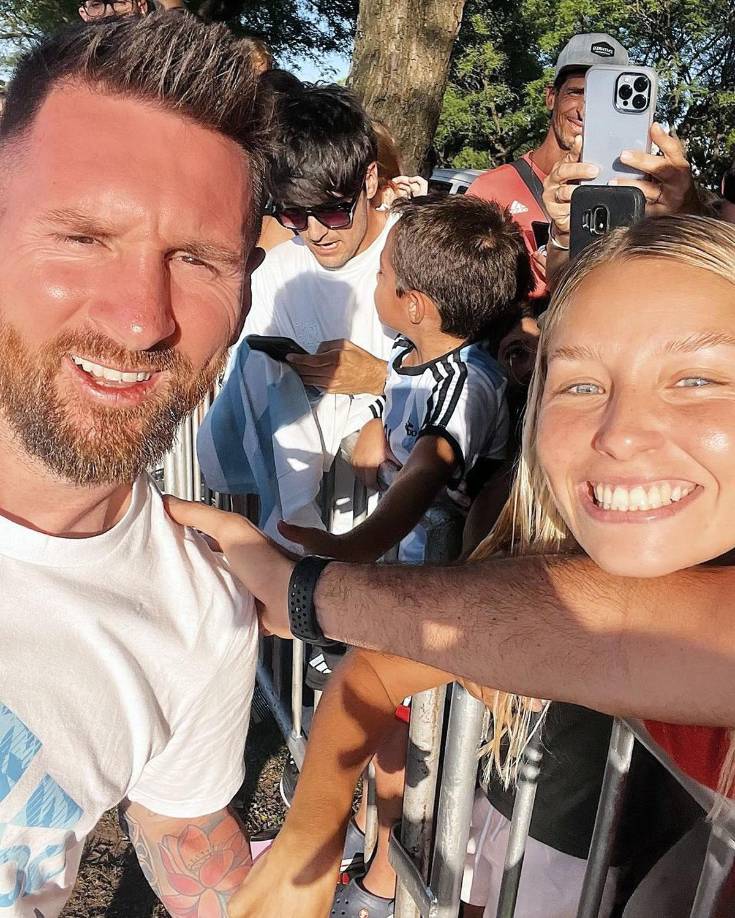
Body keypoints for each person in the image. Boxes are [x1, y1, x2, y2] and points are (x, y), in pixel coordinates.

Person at [168, 214, 735, 916]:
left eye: (696, 379)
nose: (619, 435)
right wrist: (303, 841)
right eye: (580, 385)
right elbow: (375, 670)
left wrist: (325, 574)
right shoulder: (536, 557)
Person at [0, 14, 271, 916]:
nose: (141, 319)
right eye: (82, 238)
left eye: (197, 259)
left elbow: (183, 830)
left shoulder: (201, 614)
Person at [281, 193, 531, 565]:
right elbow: (398, 392)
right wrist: (374, 420)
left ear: (413, 304)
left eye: (381, 274)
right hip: (406, 549)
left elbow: (429, 467)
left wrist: (355, 544)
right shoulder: (406, 349)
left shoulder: (465, 384)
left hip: (443, 565)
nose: (374, 283)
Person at [467, 32, 629, 299]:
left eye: (602, 100)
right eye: (577, 92)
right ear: (551, 97)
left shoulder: (628, 195)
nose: (586, 110)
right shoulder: (491, 189)